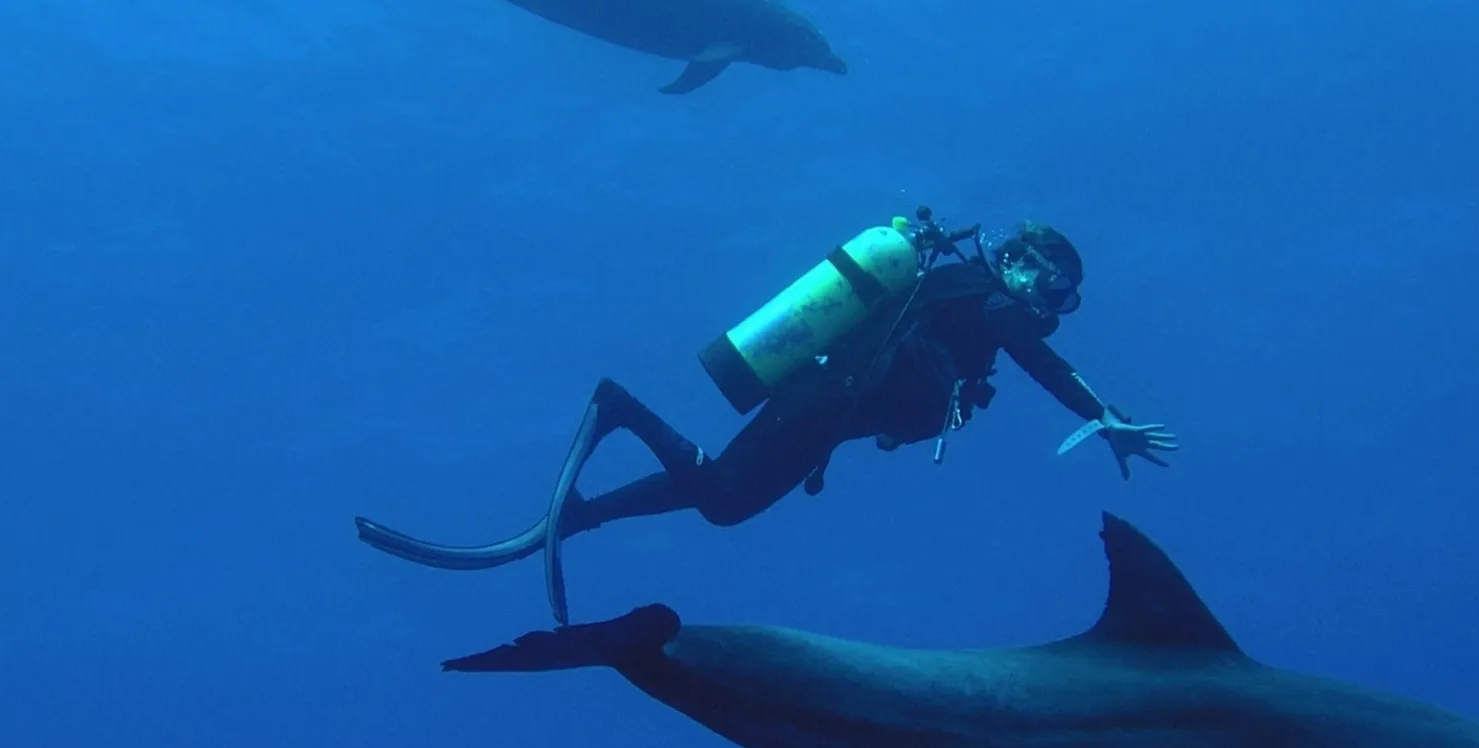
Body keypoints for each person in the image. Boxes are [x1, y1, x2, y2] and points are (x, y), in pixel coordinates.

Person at [353, 209, 1179, 623]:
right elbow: (1044, 360)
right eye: (1054, 285)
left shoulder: (961, 298)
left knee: (722, 492)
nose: (1051, 302)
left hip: (825, 405)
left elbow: (928, 384)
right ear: (1027, 270)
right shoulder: (989, 301)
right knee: (724, 501)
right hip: (824, 401)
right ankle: (617, 410)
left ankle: (575, 516)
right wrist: (1104, 415)